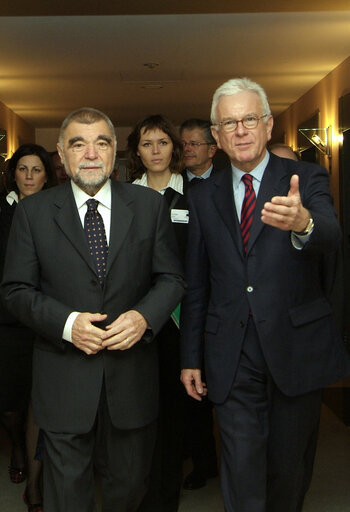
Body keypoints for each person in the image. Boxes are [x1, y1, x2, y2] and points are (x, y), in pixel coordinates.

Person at [1, 107, 185, 512]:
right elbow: (15, 290)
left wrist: (144, 317)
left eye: (101, 142)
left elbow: (172, 279)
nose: (90, 153)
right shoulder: (33, 214)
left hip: (131, 381)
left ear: (115, 152)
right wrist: (67, 325)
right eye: (78, 144)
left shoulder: (149, 206)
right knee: (66, 496)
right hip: (63, 381)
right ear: (61, 156)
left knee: (130, 489)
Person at [180, 77, 350, 512]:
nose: (240, 130)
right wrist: (191, 357)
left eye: (249, 119)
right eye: (229, 122)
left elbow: (330, 236)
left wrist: (303, 223)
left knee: (288, 468)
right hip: (232, 351)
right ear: (216, 136)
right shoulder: (201, 197)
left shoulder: (306, 176)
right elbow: (197, 284)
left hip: (296, 346)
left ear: (268, 124)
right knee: (240, 463)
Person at [127, 114, 187, 512]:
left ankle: (167, 497)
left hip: (181, 319)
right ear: (136, 152)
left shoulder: (195, 195)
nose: (155, 151)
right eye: (147, 144)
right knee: (136, 411)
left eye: (162, 142)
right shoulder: (123, 196)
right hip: (136, 317)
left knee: (173, 413)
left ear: (174, 148)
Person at [0, 143, 56, 512]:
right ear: (14, 173)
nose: (31, 176)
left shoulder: (56, 210)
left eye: (37, 170)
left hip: (47, 319)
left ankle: (35, 488)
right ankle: (17, 446)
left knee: (40, 403)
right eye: (24, 169)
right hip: (6, 321)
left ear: (47, 175)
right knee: (10, 403)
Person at [179, 118, 219, 491]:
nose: (187, 149)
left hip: (218, 303)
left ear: (212, 148)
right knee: (190, 391)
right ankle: (198, 460)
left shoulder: (225, 189)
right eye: (185, 144)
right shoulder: (175, 189)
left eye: (195, 144)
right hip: (181, 302)